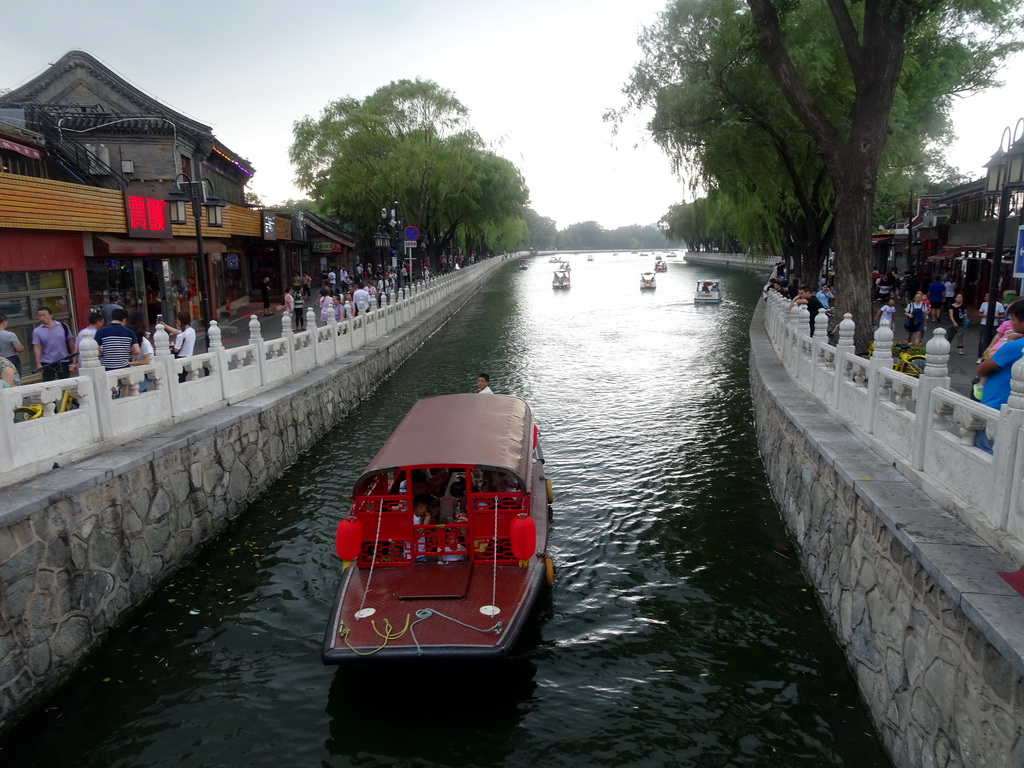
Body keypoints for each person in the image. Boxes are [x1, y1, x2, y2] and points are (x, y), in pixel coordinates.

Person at [975, 301, 1024, 453]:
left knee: (986, 450)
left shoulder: (1013, 346)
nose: (1010, 323)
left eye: (1013, 319)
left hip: (997, 403)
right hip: (1018, 410)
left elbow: (982, 368)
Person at [32, 307, 75, 381]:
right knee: (48, 385)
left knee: (66, 383)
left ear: (50, 315)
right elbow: (37, 347)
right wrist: (38, 364)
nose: (42, 318)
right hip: (47, 362)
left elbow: (70, 342)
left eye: (44, 315)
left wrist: (74, 360)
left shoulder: (63, 326)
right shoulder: (37, 331)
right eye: (39, 316)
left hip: (63, 360)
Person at [93, 308, 140, 372]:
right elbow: (137, 351)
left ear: (112, 318)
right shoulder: (130, 332)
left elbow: (95, 351)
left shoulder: (101, 331)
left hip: (107, 369)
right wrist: (126, 352)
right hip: (124, 368)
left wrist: (104, 352)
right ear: (124, 320)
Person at [977, 293, 1007, 360]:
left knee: (993, 341)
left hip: (994, 325)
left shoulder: (999, 305)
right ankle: (980, 356)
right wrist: (985, 315)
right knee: (982, 341)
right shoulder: (984, 304)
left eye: (986, 296)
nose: (985, 297)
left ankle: (990, 356)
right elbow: (979, 313)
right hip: (984, 324)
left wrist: (994, 316)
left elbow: (1003, 315)